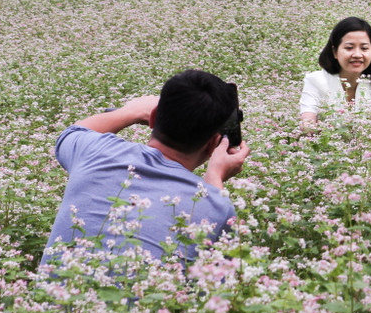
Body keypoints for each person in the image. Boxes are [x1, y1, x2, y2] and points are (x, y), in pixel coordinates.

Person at [38, 70, 250, 274]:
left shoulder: (92, 151)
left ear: (153, 117)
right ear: (214, 142)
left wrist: (129, 111)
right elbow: (218, 287)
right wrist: (214, 180)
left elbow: (72, 132)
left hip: (48, 308)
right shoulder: (217, 207)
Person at [299, 17, 371, 124]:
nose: (357, 55)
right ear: (335, 51)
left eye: (364, 48)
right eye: (349, 48)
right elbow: (307, 124)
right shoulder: (316, 81)